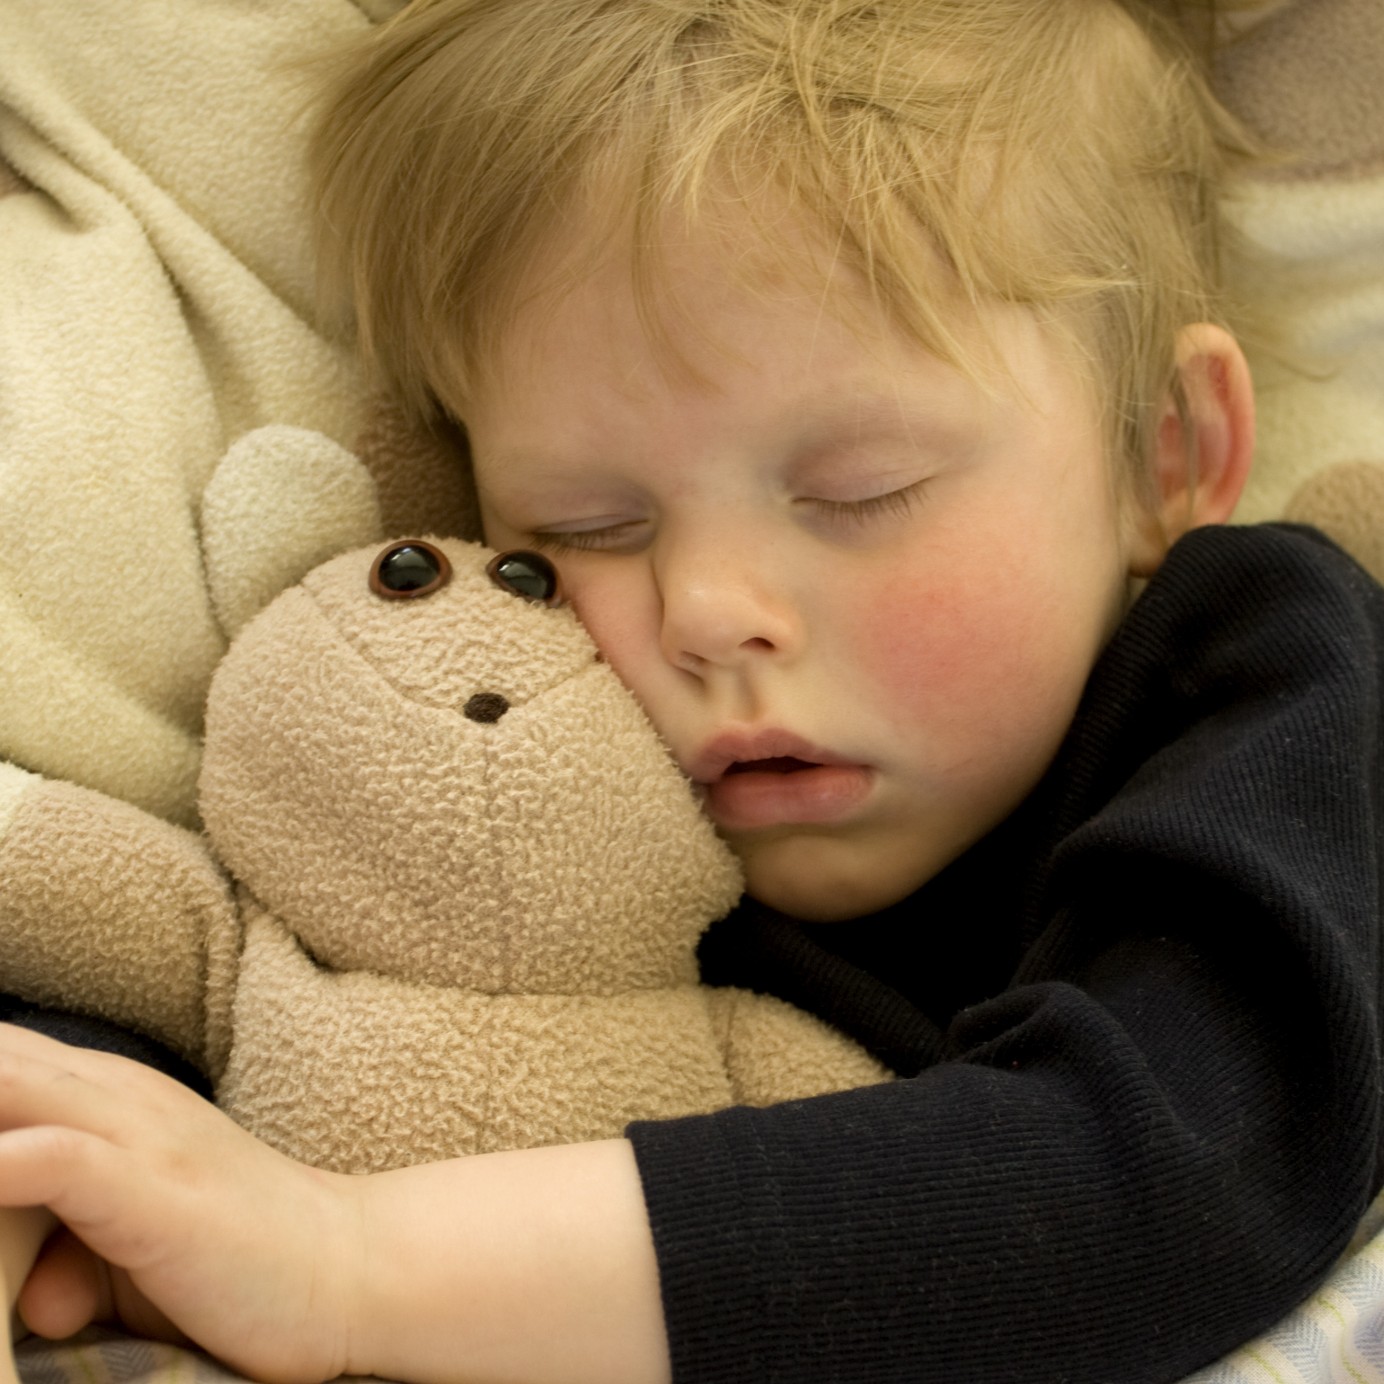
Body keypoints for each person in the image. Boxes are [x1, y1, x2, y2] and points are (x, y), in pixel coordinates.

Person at [0, 0, 1380, 1381]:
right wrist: (74, 1160)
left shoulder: (1261, 676)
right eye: (588, 526)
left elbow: (1180, 1173)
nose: (706, 612)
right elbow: (248, 975)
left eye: (859, 491)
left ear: (1166, 454)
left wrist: (352, 1262)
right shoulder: (551, 775)